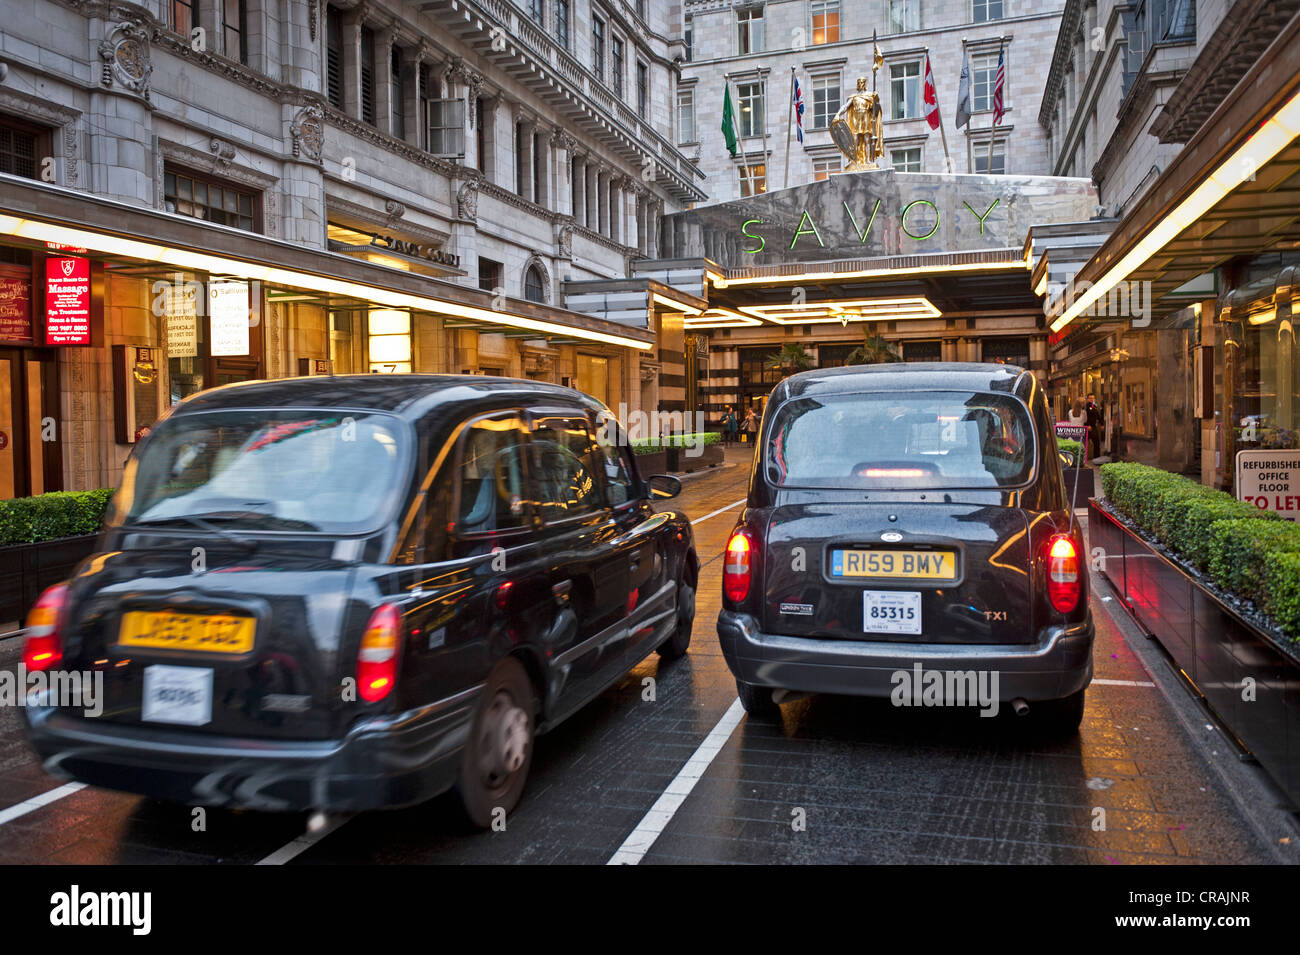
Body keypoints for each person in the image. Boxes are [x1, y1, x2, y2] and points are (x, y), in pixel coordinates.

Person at [1085, 393, 1105, 460]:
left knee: (1096, 442)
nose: (1092, 399)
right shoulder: (1086, 407)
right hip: (1088, 427)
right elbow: (1084, 417)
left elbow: (1098, 415)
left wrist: (1101, 423)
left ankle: (1097, 456)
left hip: (1094, 426)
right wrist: (1087, 425)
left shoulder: (1094, 406)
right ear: (1087, 399)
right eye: (1090, 398)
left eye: (1093, 398)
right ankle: (1085, 456)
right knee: (1085, 442)